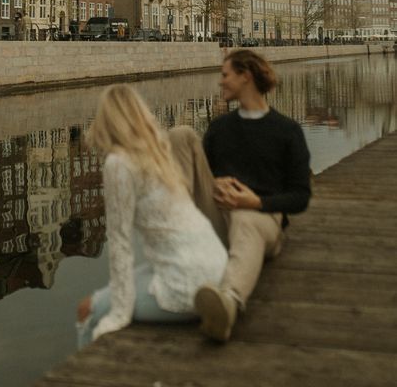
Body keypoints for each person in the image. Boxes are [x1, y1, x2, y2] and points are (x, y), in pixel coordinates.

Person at [76, 84, 227, 348]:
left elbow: (120, 243)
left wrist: (119, 313)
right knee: (130, 282)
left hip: (187, 286)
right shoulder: (159, 154)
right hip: (218, 269)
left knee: (87, 310)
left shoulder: (118, 164)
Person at [191, 49, 311, 342]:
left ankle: (229, 303)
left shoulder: (286, 131)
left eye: (225, 75)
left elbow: (300, 197)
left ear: (245, 77)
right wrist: (214, 183)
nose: (221, 82)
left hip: (262, 219)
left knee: (245, 217)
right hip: (220, 214)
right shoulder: (219, 129)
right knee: (182, 137)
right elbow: (205, 175)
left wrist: (256, 202)